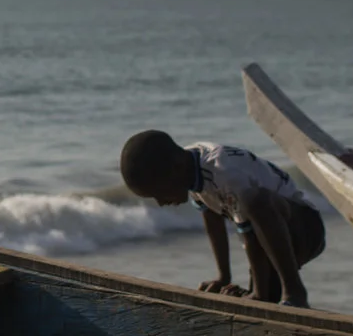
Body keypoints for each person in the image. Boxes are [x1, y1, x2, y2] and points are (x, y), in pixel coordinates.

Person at [120, 129, 322, 307]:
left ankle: (295, 291)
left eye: (159, 193)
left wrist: (258, 294)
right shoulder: (188, 163)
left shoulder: (224, 172)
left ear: (176, 169)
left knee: (254, 201)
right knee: (266, 301)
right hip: (270, 240)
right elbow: (212, 219)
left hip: (304, 228)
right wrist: (223, 277)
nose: (161, 202)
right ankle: (268, 293)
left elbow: (249, 235)